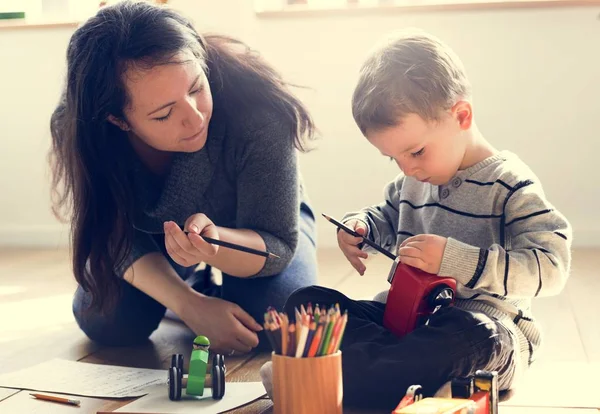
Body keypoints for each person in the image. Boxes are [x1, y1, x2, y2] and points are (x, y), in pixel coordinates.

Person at [283, 29, 572, 409]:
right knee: (306, 304)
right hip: (404, 323)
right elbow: (384, 215)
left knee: (469, 333)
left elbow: (552, 266)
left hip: (485, 337)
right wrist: (362, 228)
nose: (408, 169)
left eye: (416, 152)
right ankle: (377, 375)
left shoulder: (510, 185)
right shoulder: (413, 179)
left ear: (462, 115)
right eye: (394, 159)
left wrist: (455, 259)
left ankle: (337, 379)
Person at [49, 1, 318, 356]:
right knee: (107, 319)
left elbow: (277, 243)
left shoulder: (258, 108)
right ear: (118, 120)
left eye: (195, 89)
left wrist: (217, 243)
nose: (194, 119)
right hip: (150, 238)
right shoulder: (84, 129)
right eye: (163, 114)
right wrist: (190, 305)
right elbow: (108, 232)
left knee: (276, 321)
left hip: (257, 227)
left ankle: (206, 282)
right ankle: (194, 285)